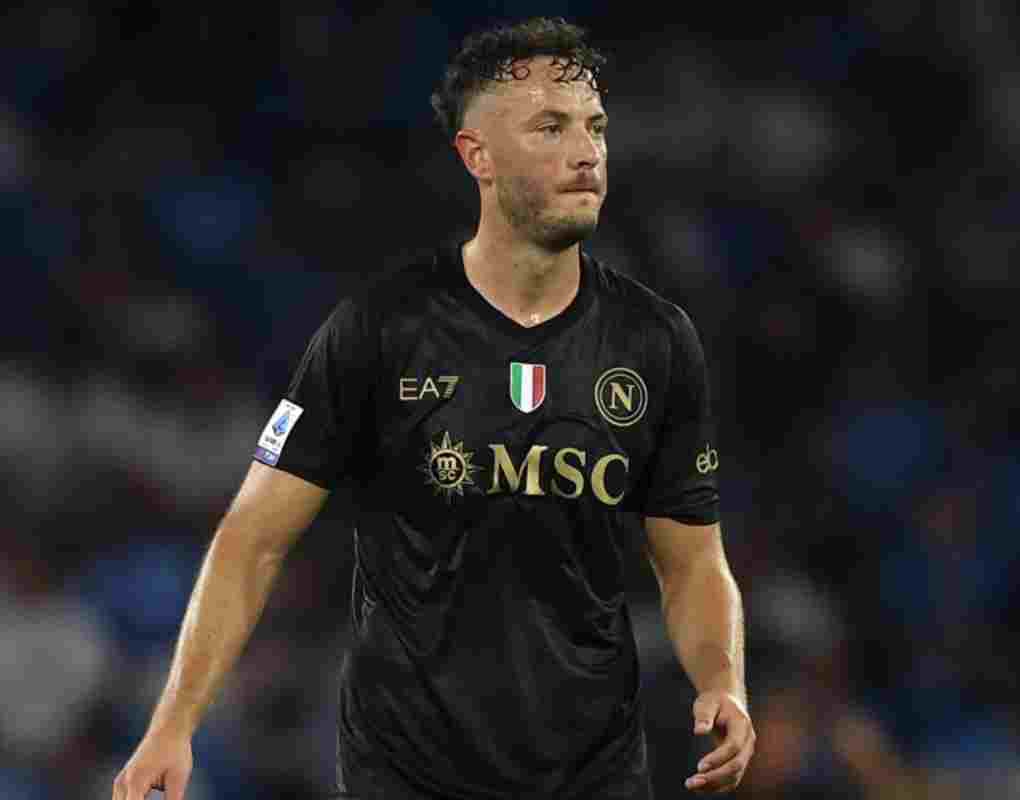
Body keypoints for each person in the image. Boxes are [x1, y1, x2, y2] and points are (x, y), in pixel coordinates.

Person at [112, 16, 754, 800]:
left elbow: (692, 562)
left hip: (593, 770)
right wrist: (174, 722)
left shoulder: (655, 340)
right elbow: (252, 541)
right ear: (476, 154)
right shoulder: (382, 327)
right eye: (550, 127)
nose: (587, 152)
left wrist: (724, 681)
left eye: (595, 127)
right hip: (408, 769)